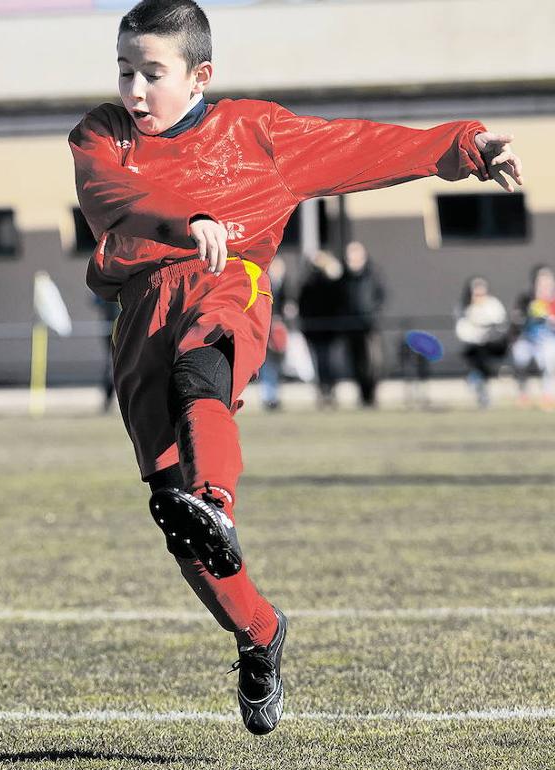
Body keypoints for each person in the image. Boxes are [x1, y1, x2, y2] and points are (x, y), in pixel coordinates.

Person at [70, 0, 521, 736]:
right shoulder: (101, 134)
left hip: (226, 283)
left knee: (202, 373)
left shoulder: (255, 131)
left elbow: (362, 146)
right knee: (174, 521)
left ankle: (218, 501)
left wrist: (465, 146)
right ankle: (259, 634)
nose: (135, 91)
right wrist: (190, 217)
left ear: (200, 75)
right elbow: (112, 195)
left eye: (153, 74)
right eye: (126, 72)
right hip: (141, 315)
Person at [338, 241, 386, 407]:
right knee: (356, 362)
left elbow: (381, 296)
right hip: (352, 326)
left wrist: (373, 315)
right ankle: (363, 395)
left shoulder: (373, 274)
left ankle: (372, 395)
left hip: (369, 326)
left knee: (373, 362)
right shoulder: (344, 278)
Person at [297, 250, 344, 409]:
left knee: (328, 362)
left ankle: (329, 392)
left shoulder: (329, 282)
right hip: (316, 329)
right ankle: (324, 392)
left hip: (327, 329)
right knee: (320, 363)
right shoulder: (309, 283)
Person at [454, 276, 509, 408]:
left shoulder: (493, 305)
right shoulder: (464, 308)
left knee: (483, 356)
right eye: (476, 293)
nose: (480, 296)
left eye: (482, 292)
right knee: (479, 355)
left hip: (494, 346)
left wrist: (487, 334)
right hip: (475, 349)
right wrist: (478, 336)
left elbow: (501, 326)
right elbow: (462, 332)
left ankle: (476, 379)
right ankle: (479, 385)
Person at [510, 264, 555, 409]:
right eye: (541, 280)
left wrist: (550, 319)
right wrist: (525, 316)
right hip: (528, 339)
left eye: (548, 279)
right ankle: (523, 394)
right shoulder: (526, 298)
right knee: (519, 356)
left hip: (549, 340)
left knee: (550, 359)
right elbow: (516, 318)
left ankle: (548, 395)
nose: (545, 283)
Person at [257, 255, 289, 410]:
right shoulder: (265, 283)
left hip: (279, 332)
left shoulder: (285, 285)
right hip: (266, 330)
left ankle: (275, 395)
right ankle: (269, 396)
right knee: (267, 364)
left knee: (278, 365)